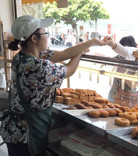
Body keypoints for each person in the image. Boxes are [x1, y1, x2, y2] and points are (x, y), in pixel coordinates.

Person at [0, 15, 107, 156]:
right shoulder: (38, 66)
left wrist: (92, 42)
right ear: (34, 38)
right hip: (26, 133)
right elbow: (69, 70)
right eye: (46, 34)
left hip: (13, 130)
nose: (48, 37)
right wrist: (80, 54)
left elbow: (64, 54)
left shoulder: (22, 57)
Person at [105, 36, 138, 108]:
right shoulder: (119, 57)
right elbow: (106, 60)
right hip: (113, 96)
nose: (123, 53)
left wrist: (124, 72)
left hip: (128, 100)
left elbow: (133, 86)